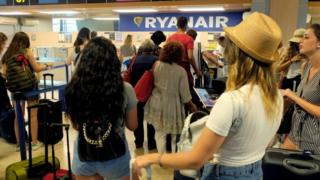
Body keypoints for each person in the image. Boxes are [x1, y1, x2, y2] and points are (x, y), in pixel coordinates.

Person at [133, 12, 284, 180]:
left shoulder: (232, 100)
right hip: (255, 172)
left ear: (236, 53)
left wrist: (152, 157)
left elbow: (196, 160)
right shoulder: (276, 97)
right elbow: (268, 141)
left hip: (224, 174)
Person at [64, 37, 138, 179]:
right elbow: (133, 126)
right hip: (116, 156)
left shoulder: (74, 88)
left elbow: (76, 126)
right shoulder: (125, 89)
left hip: (84, 154)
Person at [144, 41, 197, 154]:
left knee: (159, 133)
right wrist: (192, 106)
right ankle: (173, 159)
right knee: (174, 136)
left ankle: (161, 159)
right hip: (173, 106)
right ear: (179, 55)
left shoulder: (156, 65)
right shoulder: (180, 71)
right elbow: (185, 95)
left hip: (156, 102)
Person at [1, 32, 51, 151]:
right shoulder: (27, 52)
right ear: (26, 42)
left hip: (16, 91)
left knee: (18, 116)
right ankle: (34, 143)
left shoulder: (7, 55)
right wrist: (46, 66)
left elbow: (4, 74)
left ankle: (20, 144)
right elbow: (37, 68)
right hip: (30, 88)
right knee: (33, 115)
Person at [281, 24, 320, 154]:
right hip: (295, 133)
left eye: (306, 37)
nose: (301, 41)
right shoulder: (306, 67)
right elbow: (303, 101)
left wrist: (293, 96)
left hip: (314, 140)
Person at [130, 39, 157, 150]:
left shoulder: (135, 59)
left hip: (137, 93)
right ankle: (151, 143)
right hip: (151, 93)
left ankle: (138, 142)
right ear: (152, 49)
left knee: (138, 118)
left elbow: (130, 75)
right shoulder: (156, 60)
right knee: (151, 119)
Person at [167, 16, 202, 88]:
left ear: (177, 25)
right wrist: (197, 70)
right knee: (187, 91)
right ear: (186, 25)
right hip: (184, 68)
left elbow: (166, 55)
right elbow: (190, 57)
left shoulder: (170, 38)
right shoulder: (189, 39)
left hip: (171, 69)